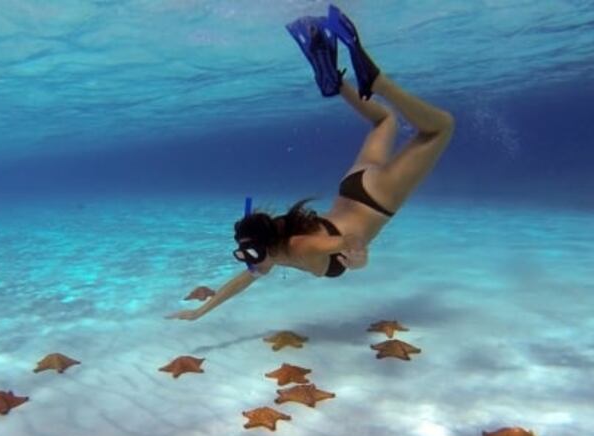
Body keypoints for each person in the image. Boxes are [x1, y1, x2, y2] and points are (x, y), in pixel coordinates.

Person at [168, 4, 453, 321]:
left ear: (267, 245)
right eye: (245, 255)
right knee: (384, 121)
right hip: (352, 187)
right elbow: (242, 282)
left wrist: (358, 260)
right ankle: (337, 84)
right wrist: (200, 312)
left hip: (375, 200)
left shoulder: (302, 246)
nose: (249, 262)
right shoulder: (271, 249)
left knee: (440, 128)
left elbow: (350, 243)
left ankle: (379, 84)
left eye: (249, 254)